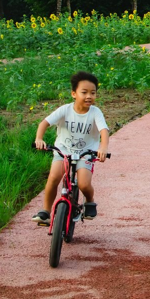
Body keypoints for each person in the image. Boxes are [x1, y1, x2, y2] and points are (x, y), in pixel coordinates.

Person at [32, 71, 109, 224]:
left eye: (93, 93)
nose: (89, 96)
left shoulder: (95, 112)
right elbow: (44, 123)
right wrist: (39, 138)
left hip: (86, 153)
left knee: (84, 184)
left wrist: (103, 148)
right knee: (53, 178)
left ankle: (89, 201)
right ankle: (46, 212)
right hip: (64, 150)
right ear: (74, 93)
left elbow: (104, 131)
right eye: (84, 92)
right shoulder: (65, 110)